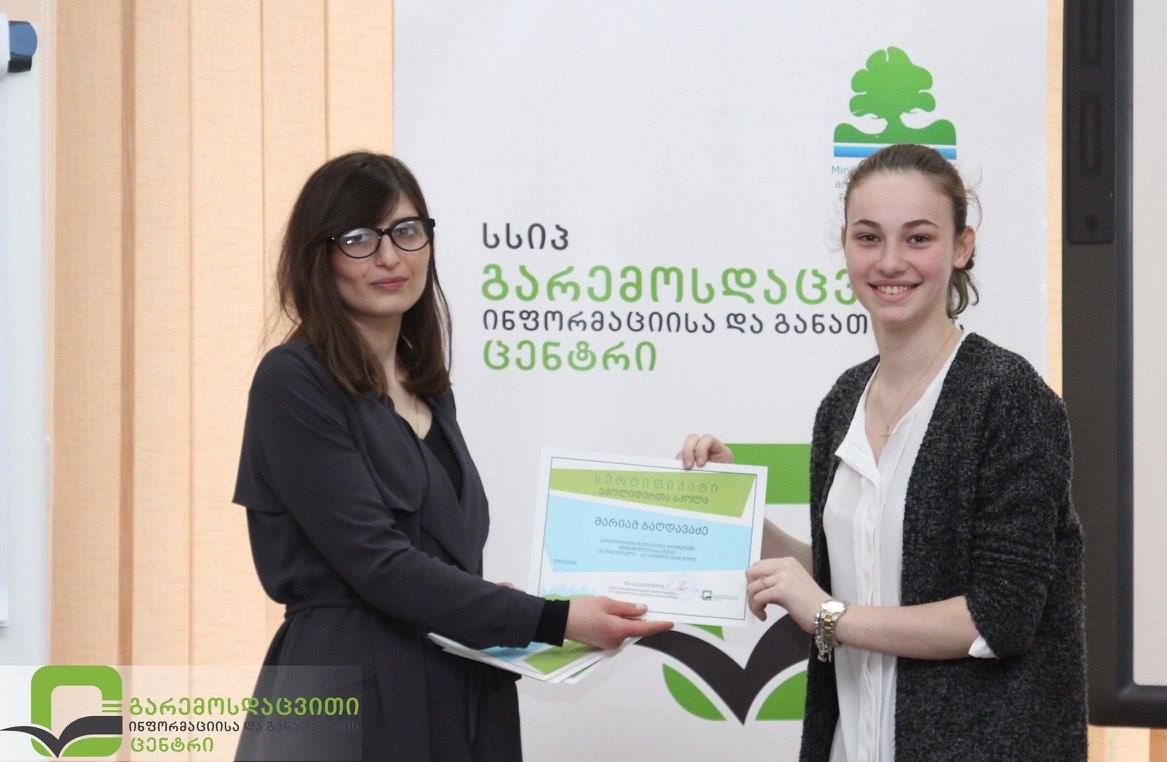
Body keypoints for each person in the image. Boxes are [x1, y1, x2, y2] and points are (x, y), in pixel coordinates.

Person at [233, 151, 671, 761]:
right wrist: (552, 618)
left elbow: (431, 555)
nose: (390, 257)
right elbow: (379, 565)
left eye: (406, 231)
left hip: (457, 684)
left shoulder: (428, 388)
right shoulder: (294, 379)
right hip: (350, 693)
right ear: (318, 257)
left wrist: (495, 605)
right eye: (359, 239)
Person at [679, 144, 1086, 760]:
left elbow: (1000, 617)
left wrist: (827, 616)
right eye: (868, 237)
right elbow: (852, 575)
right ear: (845, 245)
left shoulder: (1007, 397)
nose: (890, 261)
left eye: (918, 238)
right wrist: (734, 512)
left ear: (962, 247)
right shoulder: (843, 401)